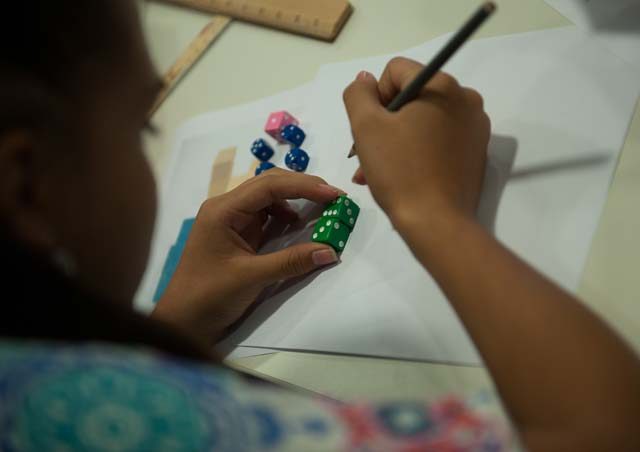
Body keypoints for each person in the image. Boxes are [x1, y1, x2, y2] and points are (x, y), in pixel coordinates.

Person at [1, 1, 638, 451]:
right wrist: (432, 209)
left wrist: (173, 323)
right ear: (27, 186)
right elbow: (609, 431)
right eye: (141, 124)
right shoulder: (107, 422)